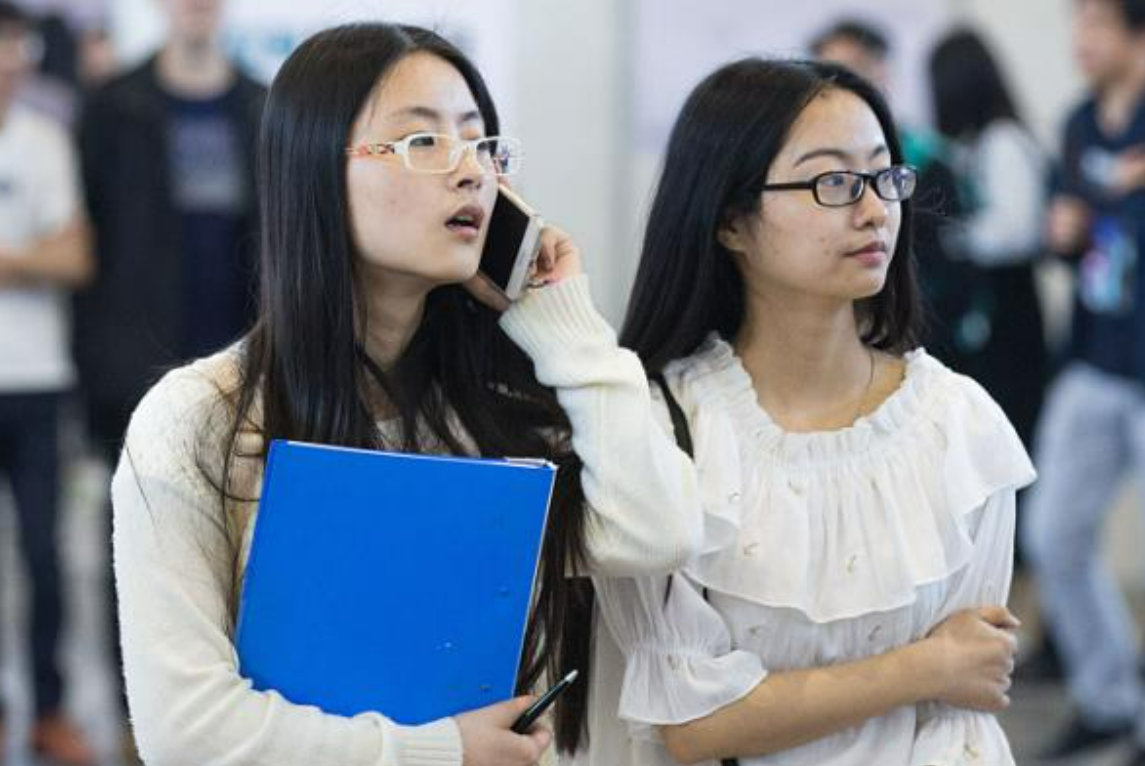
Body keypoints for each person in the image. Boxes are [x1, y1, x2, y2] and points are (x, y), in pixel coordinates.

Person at [112, 22, 704, 766]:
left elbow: (656, 530)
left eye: (481, 145)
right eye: (424, 141)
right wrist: (441, 750)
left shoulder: (500, 411)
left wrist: (559, 319)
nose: (470, 173)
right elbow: (187, 730)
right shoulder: (202, 417)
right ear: (315, 169)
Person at [561, 58, 1035, 766]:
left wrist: (945, 674)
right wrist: (924, 667)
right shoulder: (661, 430)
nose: (874, 211)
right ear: (730, 220)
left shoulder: (956, 424)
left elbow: (961, 710)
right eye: (832, 182)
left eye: (883, 176)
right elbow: (691, 721)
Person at [74, 0, 266, 752]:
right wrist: (97, 364)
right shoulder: (113, 108)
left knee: (247, 542)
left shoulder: (262, 107)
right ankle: (138, 717)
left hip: (244, 363)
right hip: (137, 367)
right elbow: (90, 248)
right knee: (135, 542)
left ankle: (241, 710)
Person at [1025, 1, 1145, 764]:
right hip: (1093, 360)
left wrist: (1133, 200)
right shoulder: (1078, 123)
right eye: (1077, 23)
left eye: (1096, 23)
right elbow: (1076, 233)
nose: (1080, 40)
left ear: (1144, 31)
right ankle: (1108, 696)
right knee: (1051, 532)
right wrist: (1062, 236)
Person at [0, 2, 97, 764]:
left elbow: (75, 258)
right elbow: (50, 251)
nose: (10, 64)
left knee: (45, 555)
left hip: (38, 379)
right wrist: (30, 252)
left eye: (16, 49)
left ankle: (50, 708)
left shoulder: (44, 140)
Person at [809, 19, 970, 375]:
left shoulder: (928, 162)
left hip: (919, 344)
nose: (874, 211)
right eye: (826, 75)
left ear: (882, 72)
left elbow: (951, 275)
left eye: (853, 70)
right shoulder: (806, 174)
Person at [926, 28, 1049, 453]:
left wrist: (955, 240)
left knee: (1014, 426)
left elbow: (1018, 232)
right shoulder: (967, 145)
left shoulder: (1004, 141)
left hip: (1012, 304)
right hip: (990, 309)